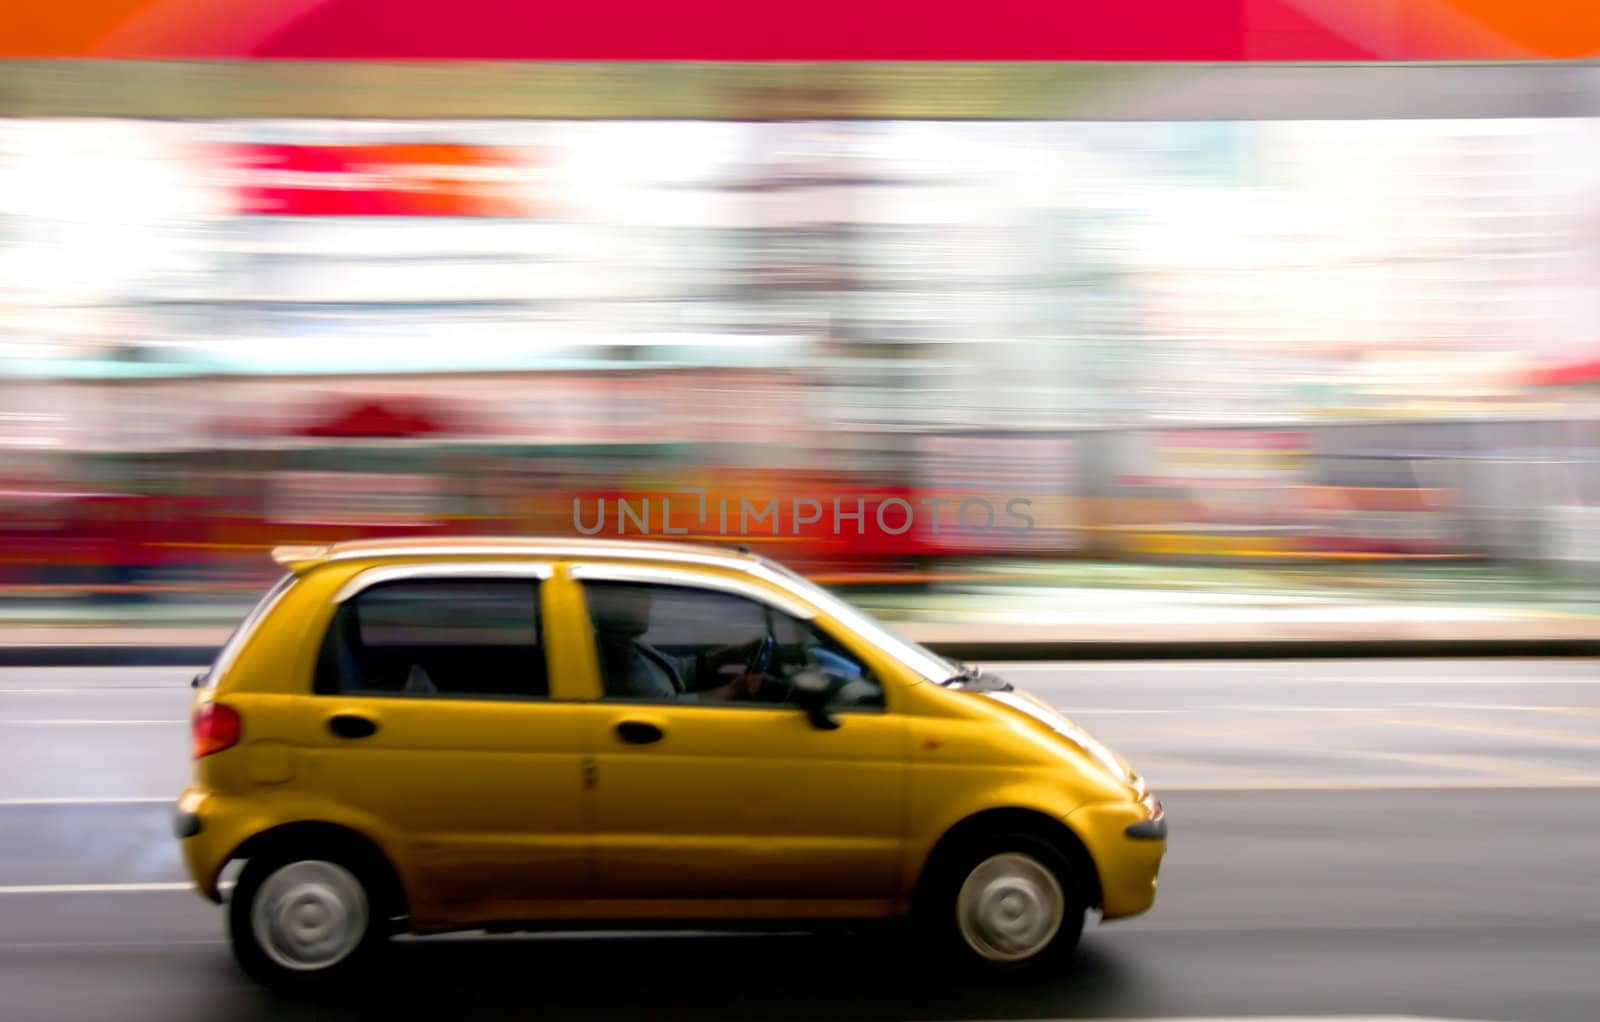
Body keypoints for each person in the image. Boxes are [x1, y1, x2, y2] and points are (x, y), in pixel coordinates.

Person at [587, 586, 766, 702]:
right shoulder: (617, 662)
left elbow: (678, 669)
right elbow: (668, 706)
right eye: (640, 600)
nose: (649, 606)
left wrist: (732, 653)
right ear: (619, 608)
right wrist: (734, 689)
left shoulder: (626, 643)